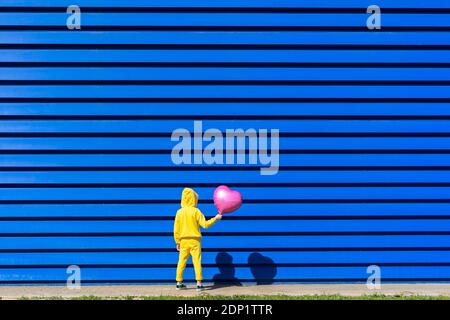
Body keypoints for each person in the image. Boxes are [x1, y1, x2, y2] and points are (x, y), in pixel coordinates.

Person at [174, 187, 222, 291]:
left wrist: (177, 242)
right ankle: (199, 284)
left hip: (183, 241)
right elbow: (205, 225)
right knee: (197, 261)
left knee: (181, 261)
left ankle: (179, 282)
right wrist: (215, 218)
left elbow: (176, 229)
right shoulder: (196, 211)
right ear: (194, 199)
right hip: (195, 241)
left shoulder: (179, 212)